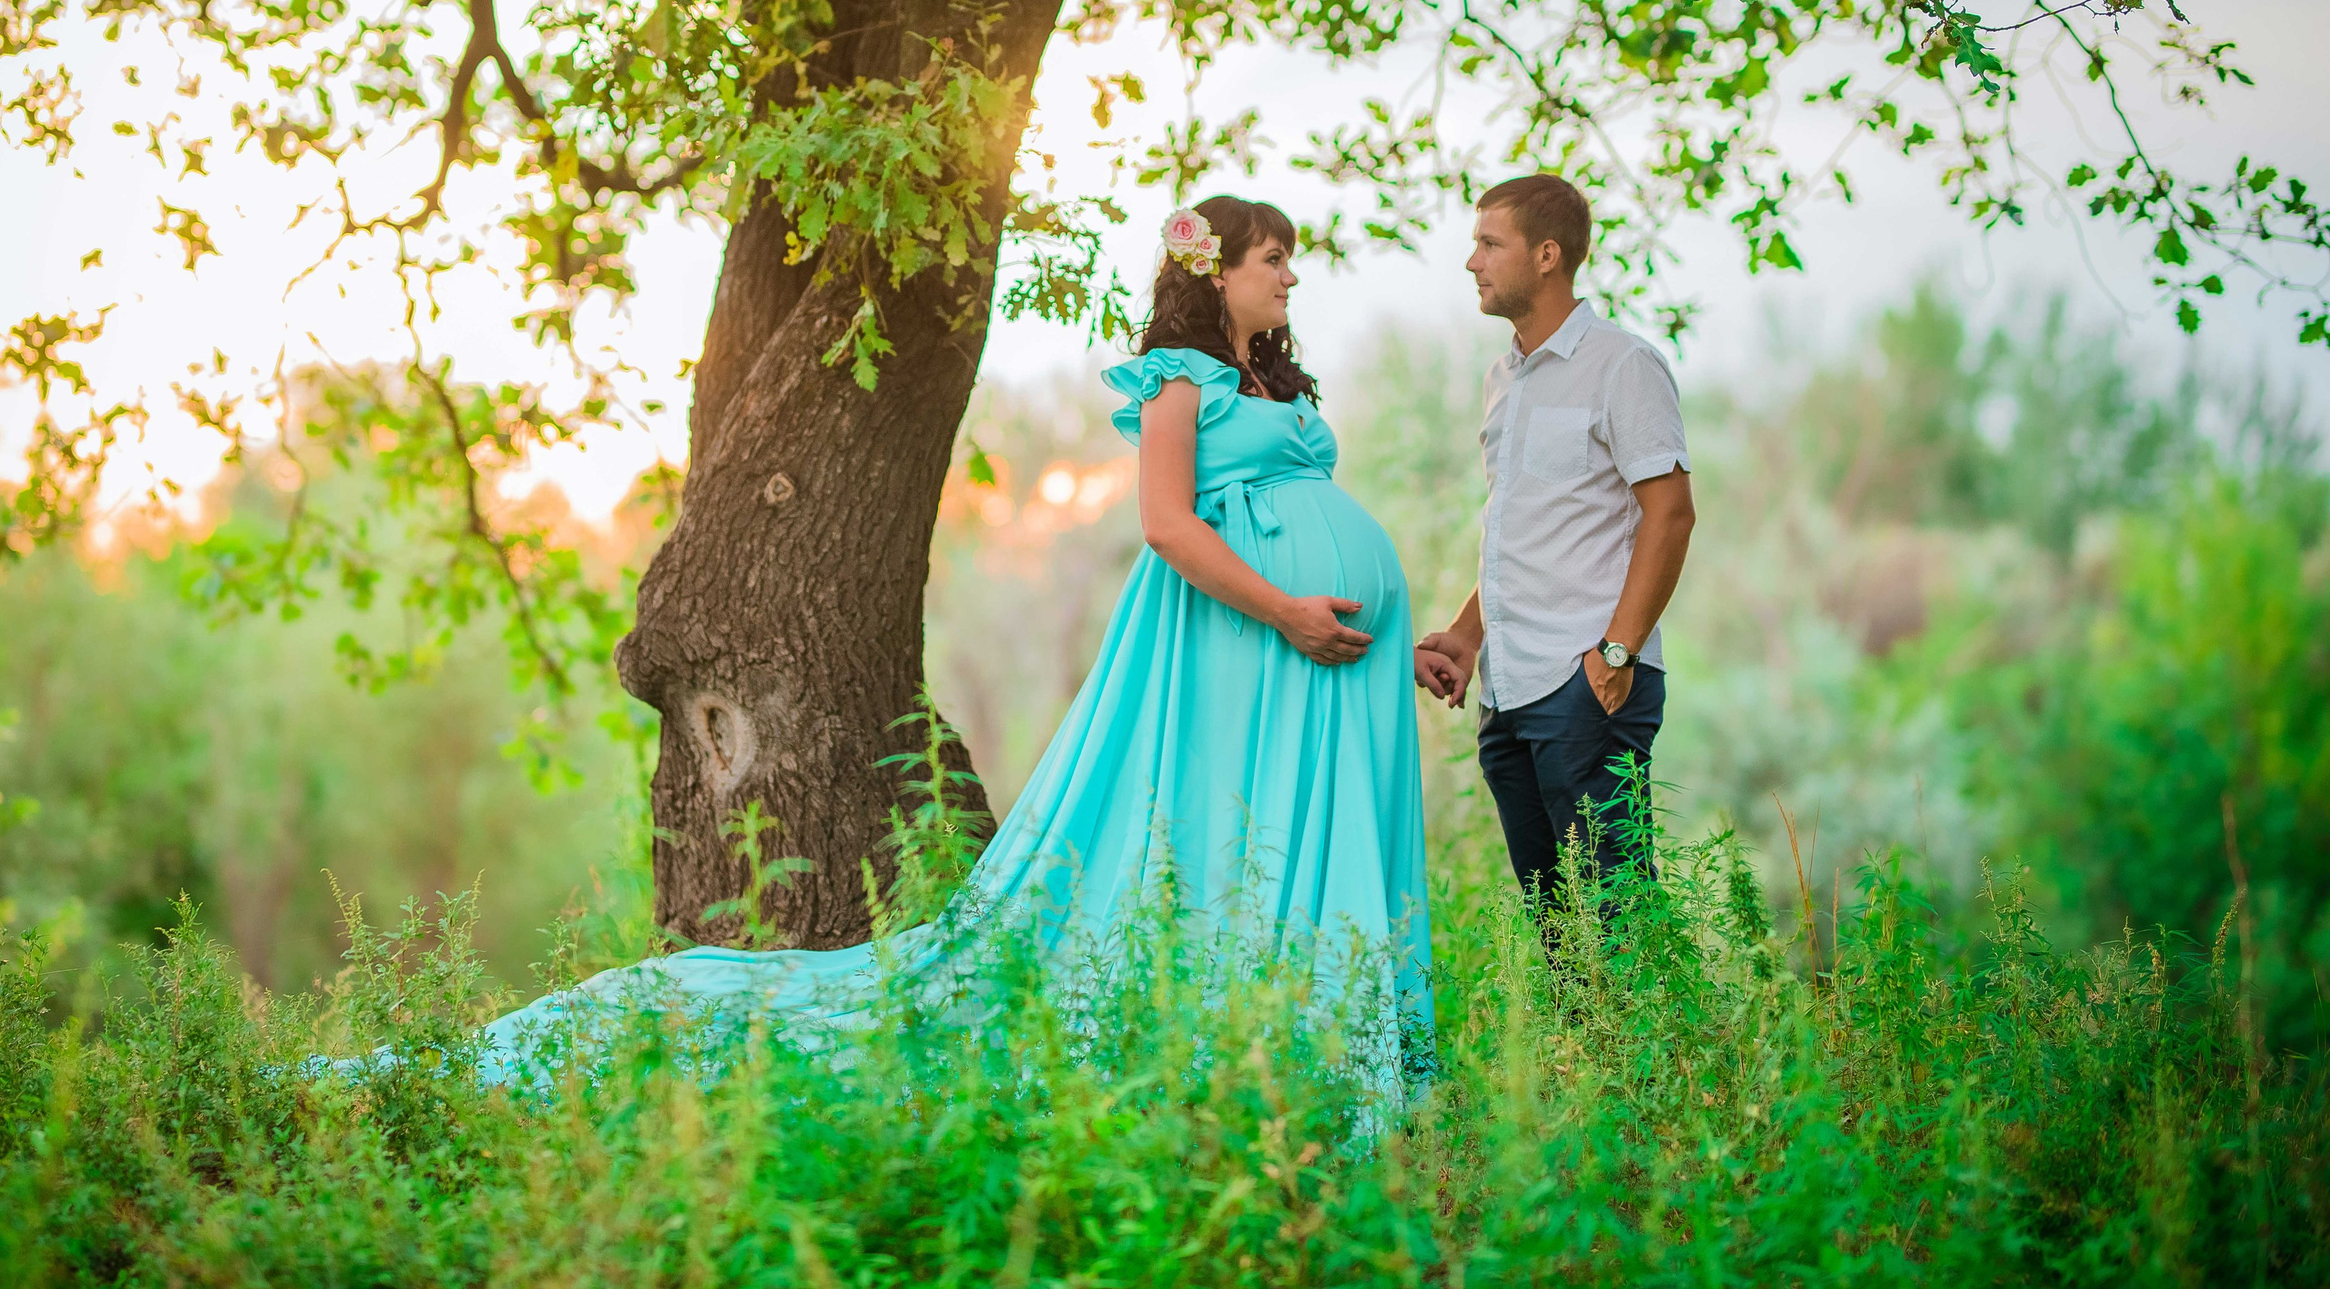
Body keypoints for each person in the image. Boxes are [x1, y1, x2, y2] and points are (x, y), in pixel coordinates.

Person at [465, 195, 1433, 1086]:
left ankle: (1319, 1023)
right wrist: (1287, 608)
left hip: (1309, 659)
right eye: (1273, 259)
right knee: (1226, 823)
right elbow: (1167, 523)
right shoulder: (1182, 377)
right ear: (1216, 271)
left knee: (1291, 819)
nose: (1290, 277)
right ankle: (1252, 1035)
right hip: (1244, 637)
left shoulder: (1271, 378)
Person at [1413, 174, 1694, 913]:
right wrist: (1469, 636)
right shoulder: (1501, 378)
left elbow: (1670, 515)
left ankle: (1652, 1038)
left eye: (1488, 243)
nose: (1472, 261)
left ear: (1546, 254)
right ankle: (1582, 1039)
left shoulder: (1622, 365)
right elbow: (1522, 524)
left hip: (1587, 686)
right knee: (1559, 932)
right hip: (1508, 693)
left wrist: (1616, 654)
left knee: (1621, 923)